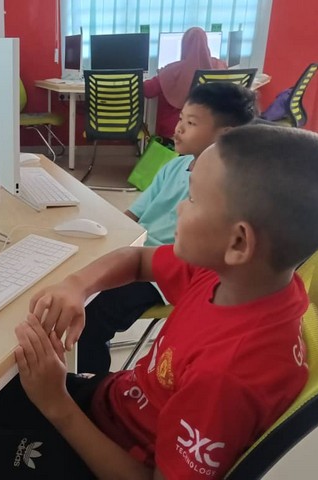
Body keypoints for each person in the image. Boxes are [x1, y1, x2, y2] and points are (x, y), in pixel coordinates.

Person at [0, 125, 318, 479]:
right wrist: (76, 285)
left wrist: (57, 405)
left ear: (238, 242)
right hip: (109, 406)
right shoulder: (237, 277)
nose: (178, 208)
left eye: (192, 199)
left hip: (108, 456)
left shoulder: (227, 377)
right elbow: (137, 259)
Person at [79, 81, 257, 373]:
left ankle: (89, 382)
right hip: (137, 255)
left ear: (225, 135)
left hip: (164, 275)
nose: (179, 128)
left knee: (92, 314)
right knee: (78, 280)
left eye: (191, 123)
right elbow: (133, 215)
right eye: (180, 118)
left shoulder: (226, 187)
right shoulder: (174, 166)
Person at [145, 27, 227, 140]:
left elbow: (148, 91)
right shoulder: (220, 66)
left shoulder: (172, 70)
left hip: (175, 130)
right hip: (210, 129)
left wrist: (162, 76)